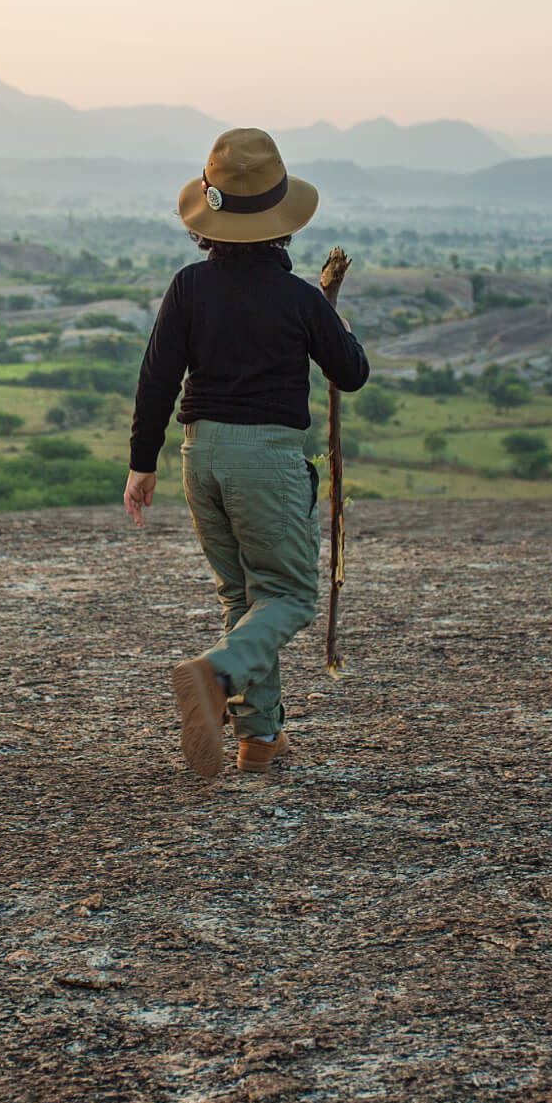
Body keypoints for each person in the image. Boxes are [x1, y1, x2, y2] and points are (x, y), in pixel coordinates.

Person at [123, 129, 369, 777]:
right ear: (281, 219)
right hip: (266, 458)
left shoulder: (189, 287)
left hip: (199, 453)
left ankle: (259, 738)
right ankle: (216, 672)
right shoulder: (299, 299)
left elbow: (156, 381)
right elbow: (351, 373)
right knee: (288, 596)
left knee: (242, 596)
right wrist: (339, 327)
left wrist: (142, 463)